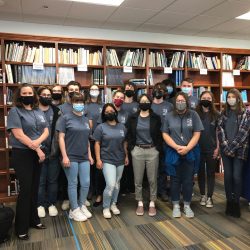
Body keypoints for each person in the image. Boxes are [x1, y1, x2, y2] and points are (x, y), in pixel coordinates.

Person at [7, 83, 49, 240]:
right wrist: (37, 148)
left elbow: (46, 130)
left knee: (34, 189)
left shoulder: (38, 110)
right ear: (19, 95)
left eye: (30, 92)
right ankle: (21, 228)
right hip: (23, 154)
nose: (27, 95)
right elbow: (18, 135)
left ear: (34, 95)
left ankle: (34, 220)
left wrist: (37, 144)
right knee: (25, 191)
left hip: (37, 154)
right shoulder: (15, 111)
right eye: (24, 93)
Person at [162, 92, 203, 218]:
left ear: (187, 102)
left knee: (187, 180)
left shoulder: (194, 114)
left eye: (182, 101)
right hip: (173, 152)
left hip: (190, 152)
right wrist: (176, 147)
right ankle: (175, 205)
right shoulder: (169, 116)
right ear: (175, 103)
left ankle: (186, 205)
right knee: (174, 180)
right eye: (178, 101)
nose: (180, 103)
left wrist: (187, 148)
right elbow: (165, 134)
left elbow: (197, 133)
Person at [57, 93, 94, 222]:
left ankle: (81, 204)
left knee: (86, 183)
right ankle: (74, 210)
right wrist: (65, 156)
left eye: (81, 101)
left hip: (84, 156)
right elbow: (60, 138)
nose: (79, 104)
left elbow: (87, 139)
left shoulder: (85, 119)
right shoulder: (65, 118)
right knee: (73, 183)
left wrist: (89, 155)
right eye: (76, 101)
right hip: (70, 156)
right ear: (71, 102)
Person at [126, 94, 162, 216]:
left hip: (152, 151)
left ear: (150, 103)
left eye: (147, 101)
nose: (145, 103)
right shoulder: (132, 118)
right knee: (138, 179)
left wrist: (157, 149)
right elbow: (129, 134)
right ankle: (140, 202)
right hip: (137, 151)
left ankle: (152, 202)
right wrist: (132, 149)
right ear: (138, 103)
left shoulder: (156, 118)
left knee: (152, 179)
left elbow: (159, 135)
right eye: (142, 101)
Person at [217, 88, 250, 218]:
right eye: (228, 97)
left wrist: (232, 148)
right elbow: (220, 131)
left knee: (237, 176)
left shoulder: (245, 114)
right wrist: (226, 146)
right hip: (226, 151)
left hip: (240, 150)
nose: (230, 99)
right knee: (228, 177)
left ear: (238, 98)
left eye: (232, 96)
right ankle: (229, 202)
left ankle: (236, 202)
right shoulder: (223, 113)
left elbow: (244, 133)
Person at [93, 103, 129, 219]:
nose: (109, 113)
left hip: (120, 159)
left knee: (117, 184)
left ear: (115, 112)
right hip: (107, 159)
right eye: (107, 112)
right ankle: (106, 207)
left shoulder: (122, 127)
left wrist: (126, 156)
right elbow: (97, 143)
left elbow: (124, 142)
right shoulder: (101, 127)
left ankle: (114, 204)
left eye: (111, 111)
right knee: (110, 184)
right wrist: (98, 159)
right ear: (104, 114)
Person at [36, 86, 61, 218]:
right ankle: (39, 204)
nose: (46, 97)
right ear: (38, 96)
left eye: (48, 94)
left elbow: (60, 132)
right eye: (44, 94)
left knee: (52, 180)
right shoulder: (33, 111)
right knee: (40, 181)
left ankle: (51, 204)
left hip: (54, 152)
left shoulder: (57, 111)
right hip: (38, 152)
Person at [58, 81, 81, 211]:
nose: (73, 91)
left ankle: (77, 199)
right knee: (66, 177)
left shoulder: (83, 106)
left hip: (80, 146)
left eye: (76, 89)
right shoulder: (62, 108)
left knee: (79, 176)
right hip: (66, 148)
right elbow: (60, 132)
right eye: (71, 89)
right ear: (67, 92)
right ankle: (67, 198)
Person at [196, 91, 220, 208]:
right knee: (200, 173)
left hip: (211, 149)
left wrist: (218, 148)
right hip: (198, 149)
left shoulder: (217, 114)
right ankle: (202, 195)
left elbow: (218, 133)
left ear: (212, 100)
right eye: (204, 97)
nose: (206, 99)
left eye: (208, 98)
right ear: (200, 99)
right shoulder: (195, 114)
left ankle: (210, 197)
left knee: (211, 174)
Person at [151, 82, 174, 202]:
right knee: (152, 168)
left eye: (161, 90)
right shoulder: (148, 105)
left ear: (164, 93)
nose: (158, 91)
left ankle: (162, 191)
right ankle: (152, 191)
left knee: (164, 167)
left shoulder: (169, 106)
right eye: (156, 89)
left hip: (166, 140)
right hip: (151, 141)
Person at [85, 84, 104, 207]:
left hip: (100, 141)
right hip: (87, 141)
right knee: (88, 168)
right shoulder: (85, 105)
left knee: (98, 168)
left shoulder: (103, 106)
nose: (94, 91)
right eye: (92, 89)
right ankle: (89, 190)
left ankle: (98, 192)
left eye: (96, 89)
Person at [120, 82, 138, 195]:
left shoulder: (137, 105)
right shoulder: (120, 104)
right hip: (121, 136)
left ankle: (131, 186)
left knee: (132, 163)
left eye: (131, 88)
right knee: (122, 161)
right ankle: (122, 187)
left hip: (134, 137)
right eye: (127, 87)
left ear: (134, 91)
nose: (129, 89)